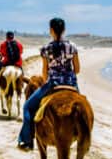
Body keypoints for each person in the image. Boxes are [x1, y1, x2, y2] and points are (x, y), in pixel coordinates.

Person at [17, 17, 79, 151]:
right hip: (71, 84)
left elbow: (45, 73)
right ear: (64, 30)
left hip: (53, 84)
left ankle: (26, 140)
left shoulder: (46, 49)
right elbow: (77, 69)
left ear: (51, 30)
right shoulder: (72, 47)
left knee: (28, 107)